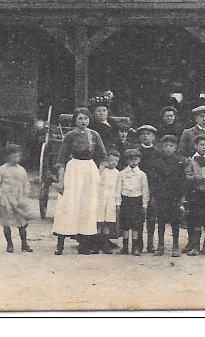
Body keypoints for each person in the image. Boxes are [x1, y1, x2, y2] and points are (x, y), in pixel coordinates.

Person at [52, 107, 107, 256]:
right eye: (80, 119)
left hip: (89, 171)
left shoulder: (94, 135)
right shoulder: (70, 136)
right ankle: (60, 244)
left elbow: (103, 156)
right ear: (75, 120)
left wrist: (98, 174)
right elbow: (61, 159)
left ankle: (84, 244)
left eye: (86, 118)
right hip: (74, 170)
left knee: (87, 206)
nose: (83, 122)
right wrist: (61, 181)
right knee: (68, 204)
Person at [147, 134, 186, 257]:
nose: (168, 148)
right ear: (161, 147)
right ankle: (161, 246)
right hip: (160, 196)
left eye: (171, 146)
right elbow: (152, 181)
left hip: (174, 196)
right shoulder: (157, 162)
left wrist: (182, 197)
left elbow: (183, 181)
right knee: (161, 221)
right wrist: (153, 196)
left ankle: (175, 246)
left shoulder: (179, 162)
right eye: (166, 145)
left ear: (176, 147)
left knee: (175, 221)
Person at [0, 143, 33, 253]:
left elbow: (26, 184)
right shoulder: (2, 170)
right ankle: (9, 244)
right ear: (7, 157)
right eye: (13, 156)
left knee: (22, 224)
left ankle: (24, 244)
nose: (16, 159)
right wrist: (0, 195)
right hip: (6, 200)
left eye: (18, 156)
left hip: (19, 199)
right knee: (6, 223)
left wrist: (24, 195)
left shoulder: (22, 170)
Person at [118, 148, 151, 256]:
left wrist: (144, 204)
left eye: (136, 159)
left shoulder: (142, 174)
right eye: (131, 159)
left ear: (139, 160)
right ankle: (125, 247)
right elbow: (118, 189)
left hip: (137, 200)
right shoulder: (122, 173)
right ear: (127, 161)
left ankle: (135, 247)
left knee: (136, 224)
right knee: (125, 225)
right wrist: (118, 202)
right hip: (125, 200)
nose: (133, 161)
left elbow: (145, 190)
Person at [95, 149, 122, 253]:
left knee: (107, 222)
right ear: (107, 160)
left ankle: (105, 244)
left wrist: (117, 202)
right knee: (99, 221)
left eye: (116, 161)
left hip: (111, 200)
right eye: (111, 160)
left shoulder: (117, 173)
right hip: (100, 199)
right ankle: (96, 244)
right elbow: (96, 182)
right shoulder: (102, 171)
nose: (114, 163)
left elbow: (118, 189)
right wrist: (101, 168)